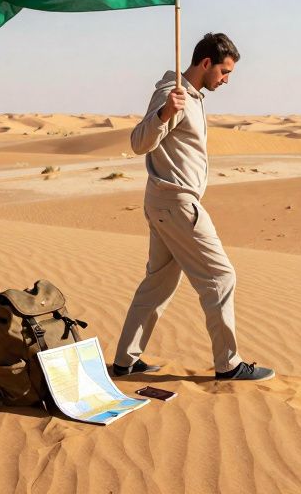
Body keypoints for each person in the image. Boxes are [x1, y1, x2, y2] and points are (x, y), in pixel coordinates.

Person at [111, 32, 275, 382]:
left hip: (165, 202)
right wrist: (165, 111)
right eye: (224, 72)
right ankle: (228, 364)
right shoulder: (173, 93)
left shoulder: (195, 97)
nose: (227, 80)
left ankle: (125, 360)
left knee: (158, 283)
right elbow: (139, 143)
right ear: (205, 64)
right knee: (220, 276)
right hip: (176, 204)